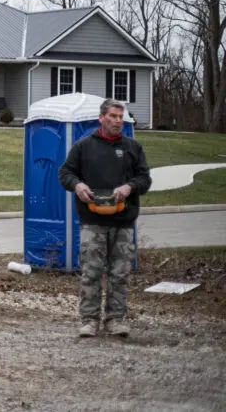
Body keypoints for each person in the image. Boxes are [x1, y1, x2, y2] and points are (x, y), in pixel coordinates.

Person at [58, 98, 151, 338]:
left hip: (123, 221)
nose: (118, 121)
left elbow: (145, 178)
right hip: (92, 220)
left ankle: (115, 320)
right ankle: (89, 320)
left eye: (121, 117)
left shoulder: (133, 147)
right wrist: (77, 185)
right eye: (113, 116)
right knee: (91, 272)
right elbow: (65, 172)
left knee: (120, 273)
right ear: (102, 118)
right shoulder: (84, 146)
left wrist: (130, 187)